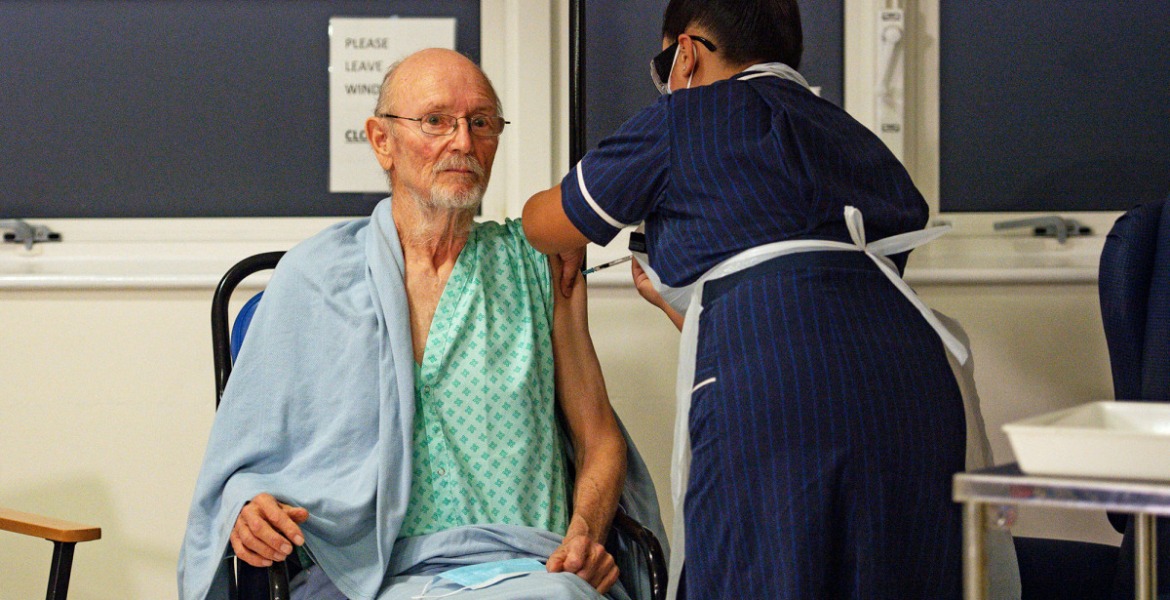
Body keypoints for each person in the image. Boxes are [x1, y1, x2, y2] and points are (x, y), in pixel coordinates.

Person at [178, 48, 663, 600]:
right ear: (381, 140)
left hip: (524, 568)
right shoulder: (313, 277)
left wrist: (584, 537)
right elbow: (244, 460)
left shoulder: (539, 263)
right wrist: (248, 507)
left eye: (481, 122)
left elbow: (599, 437)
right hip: (362, 575)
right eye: (436, 120)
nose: (463, 142)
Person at [522, 1, 968, 598]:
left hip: (776, 402)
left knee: (756, 571)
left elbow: (544, 224)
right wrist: (672, 300)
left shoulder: (683, 119)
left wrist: (563, 230)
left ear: (685, 53)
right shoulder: (857, 141)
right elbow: (820, 309)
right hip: (915, 388)